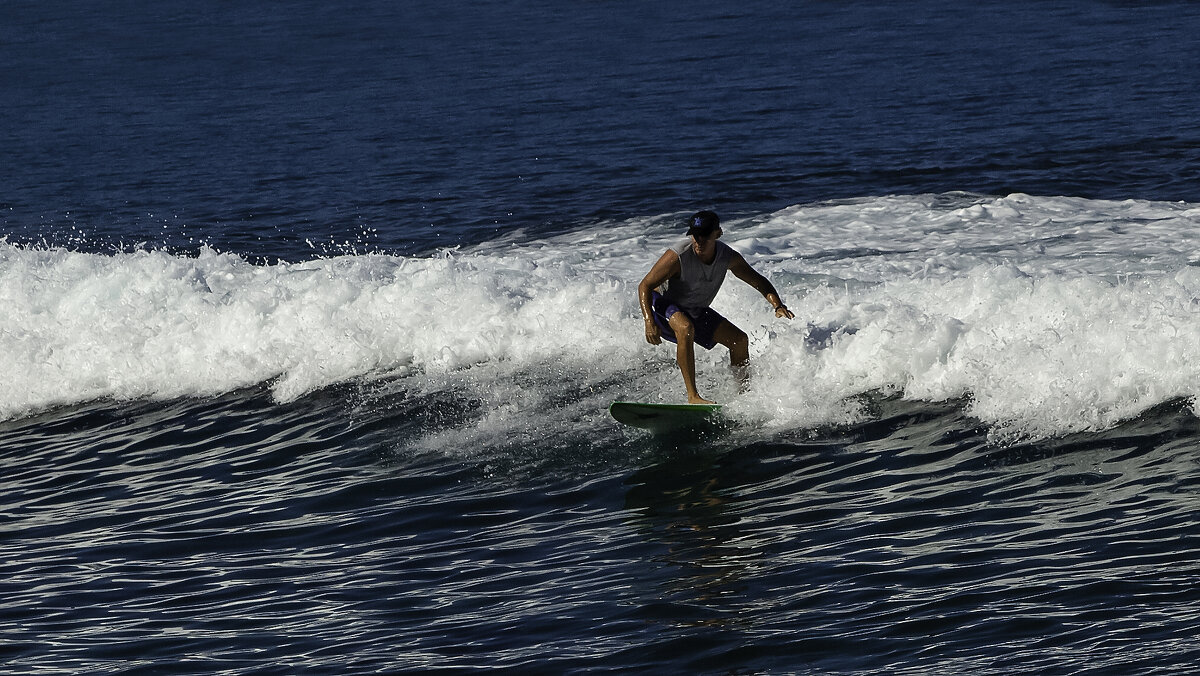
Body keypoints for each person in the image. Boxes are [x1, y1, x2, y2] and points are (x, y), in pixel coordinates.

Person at [638, 210, 795, 404]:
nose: (699, 240)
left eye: (705, 234)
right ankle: (693, 397)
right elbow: (644, 285)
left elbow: (758, 280)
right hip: (662, 303)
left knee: (739, 340)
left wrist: (777, 305)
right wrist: (648, 321)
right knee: (685, 328)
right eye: (696, 235)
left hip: (694, 308)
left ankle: (744, 396)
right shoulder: (678, 256)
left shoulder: (727, 257)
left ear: (718, 234)